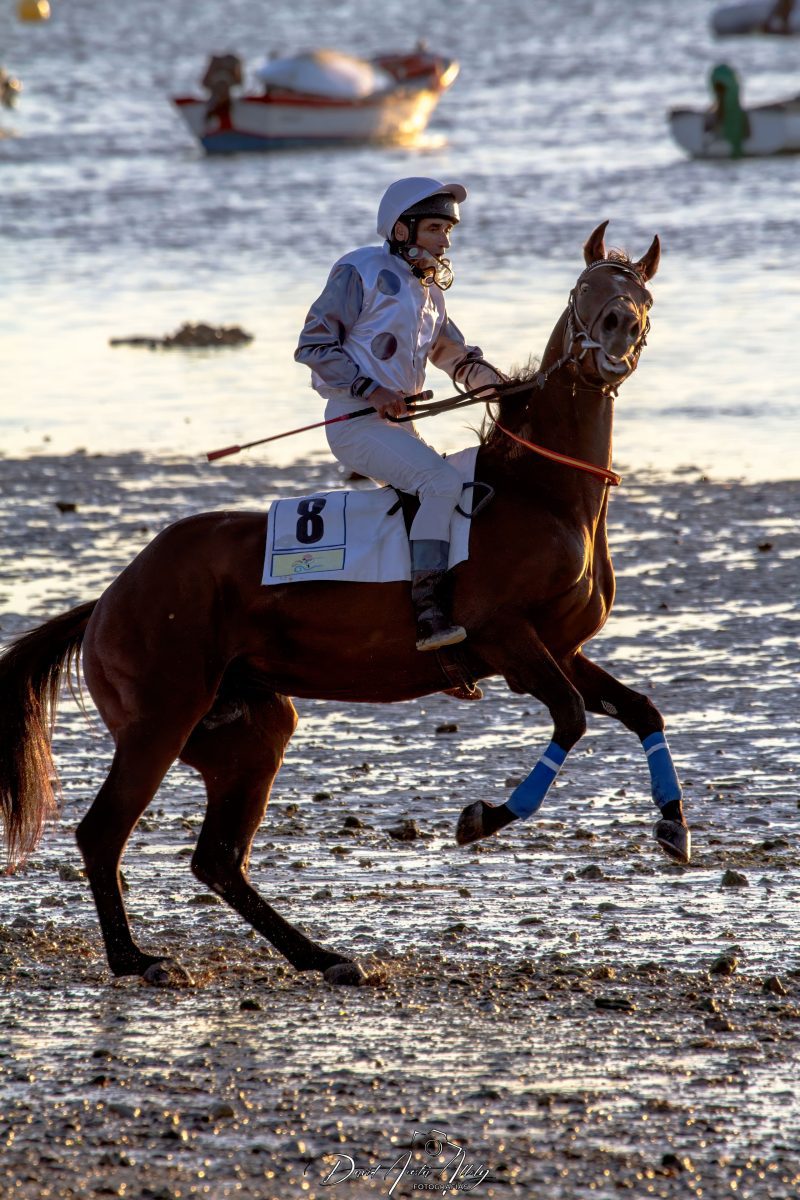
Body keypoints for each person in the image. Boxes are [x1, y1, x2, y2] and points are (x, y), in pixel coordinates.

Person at [295, 177, 505, 652]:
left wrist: (498, 386)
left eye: (448, 230)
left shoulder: (430, 294)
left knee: (458, 484)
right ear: (401, 230)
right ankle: (428, 614)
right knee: (441, 484)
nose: (445, 240)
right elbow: (313, 345)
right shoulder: (359, 270)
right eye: (434, 228)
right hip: (354, 421)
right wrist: (370, 390)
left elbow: (455, 355)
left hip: (398, 425)